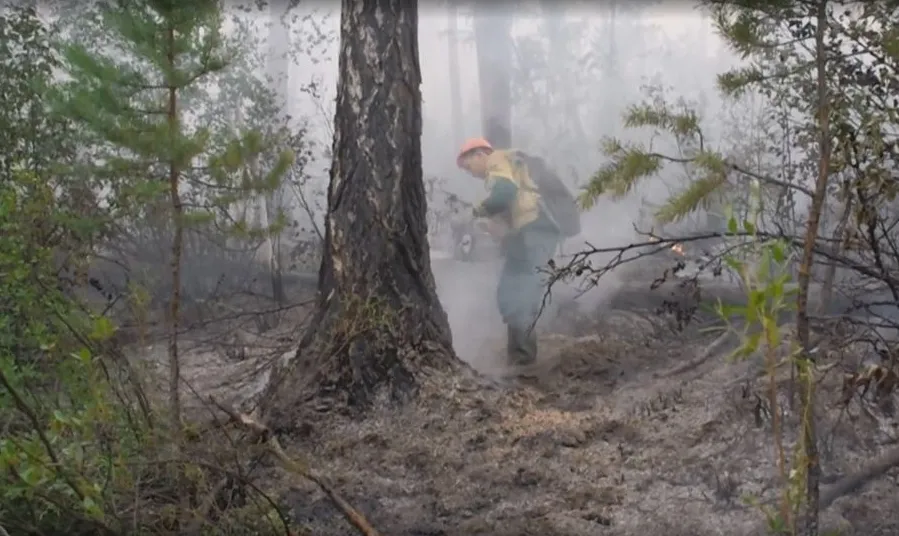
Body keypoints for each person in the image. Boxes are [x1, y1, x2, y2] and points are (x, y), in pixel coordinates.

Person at [455, 137, 561, 367]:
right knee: (511, 293)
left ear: (479, 155)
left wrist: (476, 212)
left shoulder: (497, 160)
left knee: (519, 293)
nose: (471, 173)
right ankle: (519, 356)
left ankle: (523, 360)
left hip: (536, 231)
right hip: (532, 232)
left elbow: (504, 194)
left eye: (468, 166)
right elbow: (515, 203)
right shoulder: (510, 164)